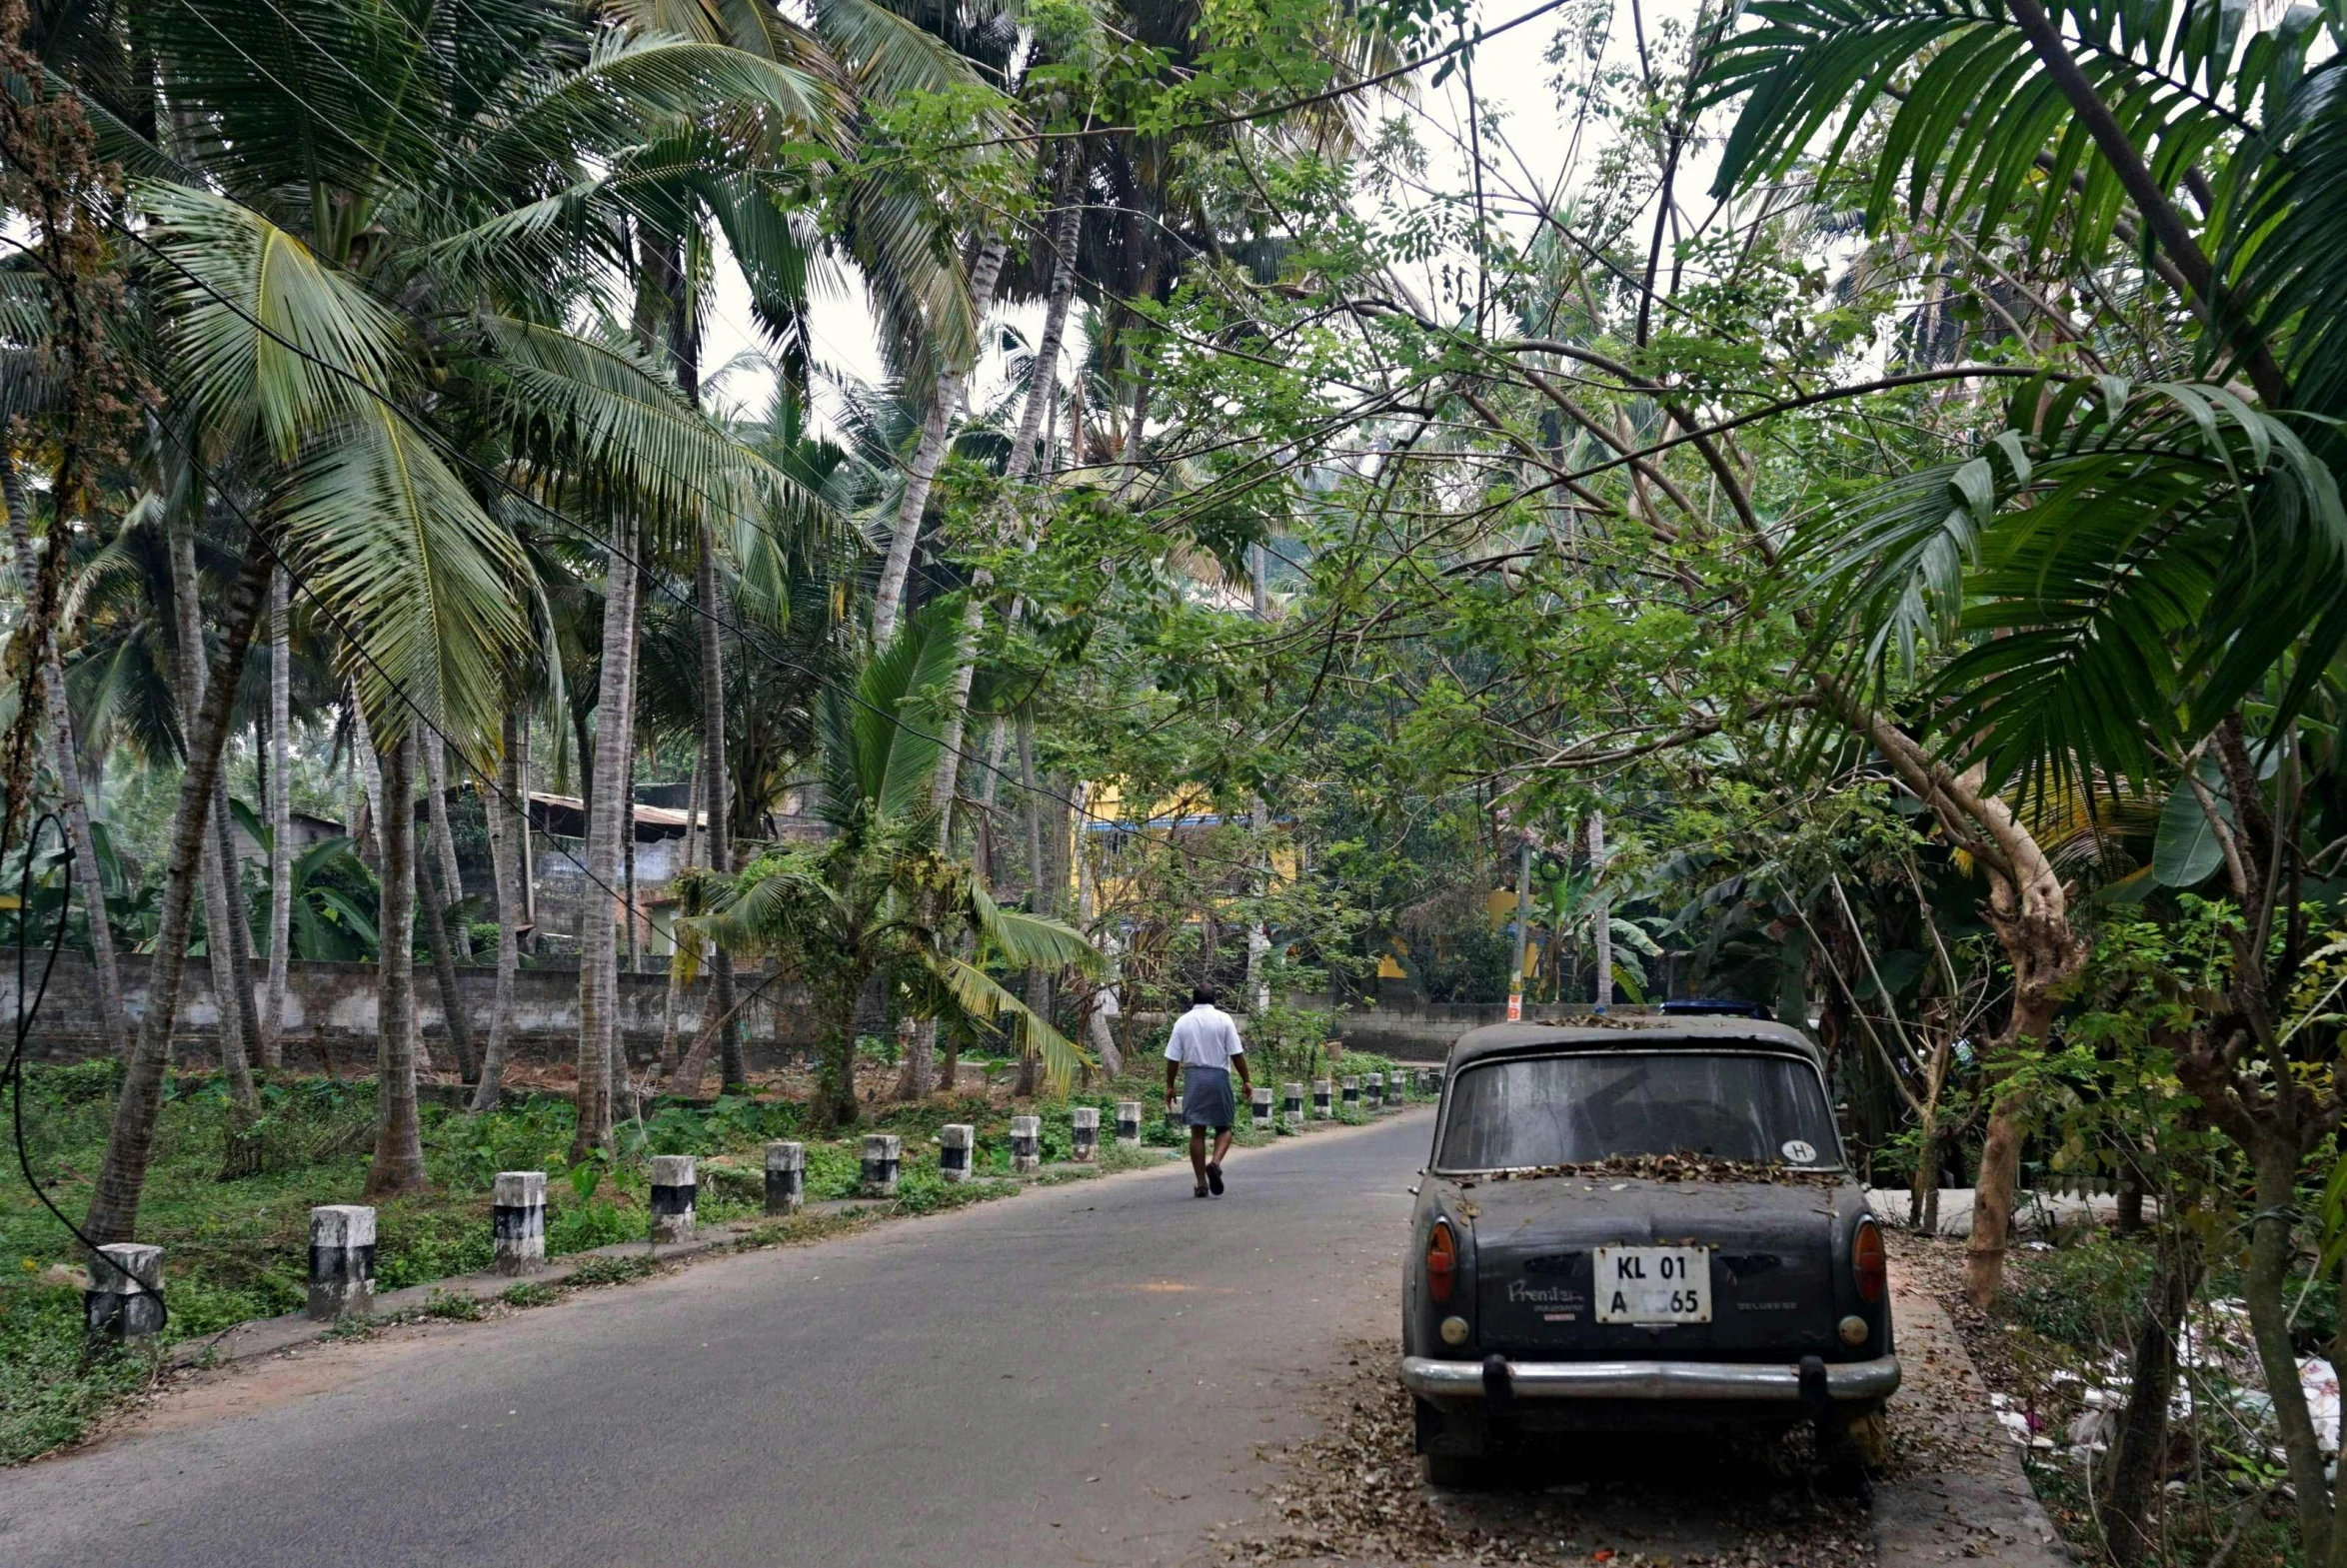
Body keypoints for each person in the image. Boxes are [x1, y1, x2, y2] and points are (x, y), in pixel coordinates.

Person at [1164, 982, 1250, 1197]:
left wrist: (1170, 1086)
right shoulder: (1224, 1020)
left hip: (1194, 1077)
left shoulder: (1182, 1022)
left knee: (1197, 1131)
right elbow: (1236, 1054)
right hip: (1219, 1076)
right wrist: (1246, 1080)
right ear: (1214, 1000)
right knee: (1225, 1126)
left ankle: (1201, 1183)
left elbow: (1173, 1059)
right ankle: (1216, 1162)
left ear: (1193, 1000)